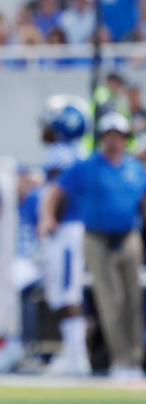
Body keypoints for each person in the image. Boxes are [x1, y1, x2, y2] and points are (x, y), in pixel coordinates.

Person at [43, 114, 146, 380]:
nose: (113, 141)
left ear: (125, 139)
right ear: (101, 138)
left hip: (128, 237)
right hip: (97, 237)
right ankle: (120, 360)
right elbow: (56, 191)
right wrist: (48, 217)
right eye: (108, 135)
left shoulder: (135, 168)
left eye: (118, 136)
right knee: (111, 300)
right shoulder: (87, 166)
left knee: (133, 299)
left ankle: (135, 359)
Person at [35, 95, 91, 375]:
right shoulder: (73, 152)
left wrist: (50, 220)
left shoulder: (62, 154)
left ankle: (77, 356)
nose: (44, 128)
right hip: (68, 230)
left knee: (67, 293)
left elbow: (60, 193)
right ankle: (73, 353)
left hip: (66, 231)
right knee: (62, 293)